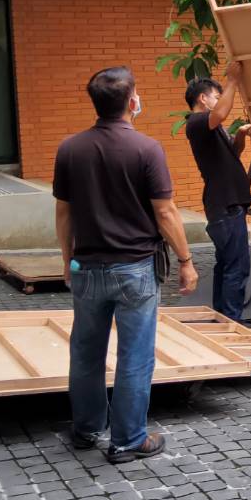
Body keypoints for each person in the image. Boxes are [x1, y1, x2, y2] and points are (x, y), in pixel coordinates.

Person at [54, 66, 198, 464]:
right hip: (135, 268)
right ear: (132, 101)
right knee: (135, 355)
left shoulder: (70, 149)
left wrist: (67, 260)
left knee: (86, 352)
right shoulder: (146, 149)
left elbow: (63, 214)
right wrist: (186, 261)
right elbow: (165, 212)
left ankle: (86, 429)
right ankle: (129, 439)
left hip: (87, 266)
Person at [184, 63, 251, 320]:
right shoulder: (197, 122)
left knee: (227, 264)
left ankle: (222, 318)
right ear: (203, 99)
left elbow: (233, 153)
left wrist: (241, 135)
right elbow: (221, 114)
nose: (219, 100)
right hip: (225, 204)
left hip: (227, 203)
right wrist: (233, 81)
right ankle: (233, 322)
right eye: (216, 95)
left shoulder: (211, 128)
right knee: (236, 267)